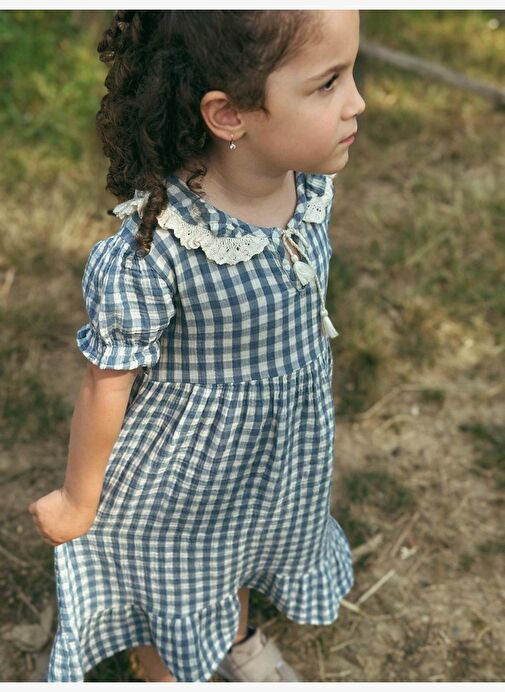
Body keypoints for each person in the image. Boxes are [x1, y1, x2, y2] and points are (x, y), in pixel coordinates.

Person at [27, 9, 366, 683]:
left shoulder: (307, 187)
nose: (357, 101)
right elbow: (106, 381)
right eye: (328, 83)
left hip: (275, 454)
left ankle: (231, 636)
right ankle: (167, 668)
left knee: (240, 552)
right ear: (230, 115)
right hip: (186, 477)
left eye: (352, 74)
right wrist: (77, 499)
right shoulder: (160, 249)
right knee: (180, 582)